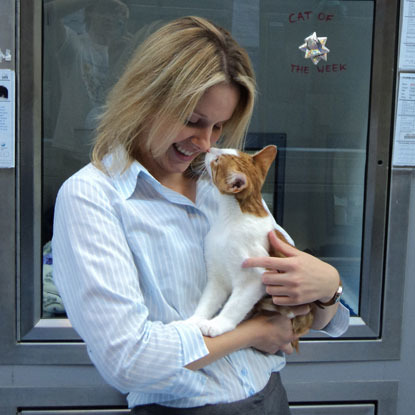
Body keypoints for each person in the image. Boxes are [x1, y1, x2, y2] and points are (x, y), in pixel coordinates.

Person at [52, 16, 349, 414]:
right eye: (192, 120)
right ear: (146, 98)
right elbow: (128, 362)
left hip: (271, 396)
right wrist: (252, 331)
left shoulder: (221, 188)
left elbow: (309, 311)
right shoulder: (92, 197)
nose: (205, 143)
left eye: (219, 127)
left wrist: (328, 287)